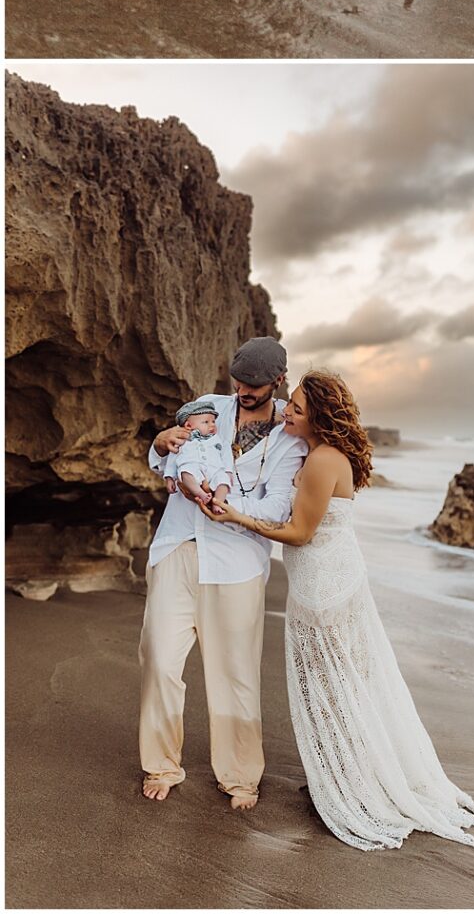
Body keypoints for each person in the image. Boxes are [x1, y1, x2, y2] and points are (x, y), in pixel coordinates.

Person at [217, 370, 474, 853]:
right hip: (338, 576)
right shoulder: (326, 454)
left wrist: (237, 517)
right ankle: (344, 774)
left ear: (317, 413)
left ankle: (344, 786)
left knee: (329, 688)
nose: (286, 411)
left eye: (295, 406)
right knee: (345, 683)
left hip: (321, 586)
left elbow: (299, 534)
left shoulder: (320, 461)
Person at [139, 335, 306, 810]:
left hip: (237, 561)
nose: (243, 391)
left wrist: (230, 507)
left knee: (234, 672)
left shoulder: (288, 437)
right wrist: (159, 443)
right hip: (178, 544)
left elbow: (278, 504)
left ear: (277, 381)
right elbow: (169, 456)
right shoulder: (209, 406)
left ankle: (238, 775)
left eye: (254, 385)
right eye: (239, 381)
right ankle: (162, 764)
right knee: (158, 657)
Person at [159, 398, 233, 504]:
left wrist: (228, 471)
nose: (212, 425)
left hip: (214, 469)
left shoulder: (217, 439)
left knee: (223, 481)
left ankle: (218, 503)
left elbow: (226, 454)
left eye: (213, 421)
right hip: (192, 467)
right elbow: (172, 458)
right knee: (186, 473)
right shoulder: (182, 439)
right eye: (206, 422)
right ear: (189, 425)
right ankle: (200, 493)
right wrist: (169, 477)